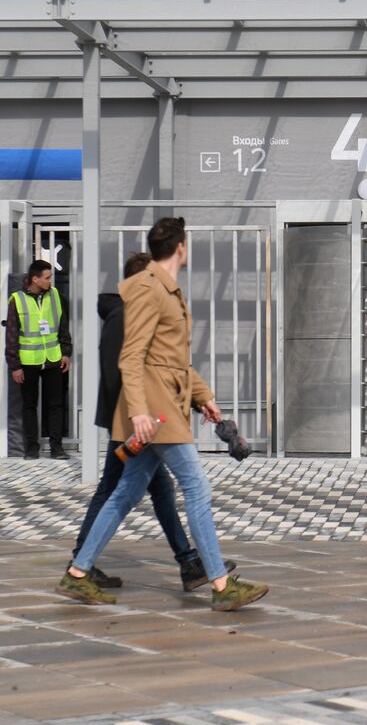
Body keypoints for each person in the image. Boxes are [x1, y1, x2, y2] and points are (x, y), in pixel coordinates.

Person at [56, 217, 268, 611]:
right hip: (157, 415)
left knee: (125, 492)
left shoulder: (165, 290)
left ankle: (78, 573)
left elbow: (173, 361)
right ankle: (220, 584)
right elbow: (131, 356)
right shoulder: (151, 290)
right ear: (182, 248)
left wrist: (204, 397)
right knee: (196, 488)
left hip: (162, 408)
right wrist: (138, 413)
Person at [65, 251, 225, 592]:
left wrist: (197, 399)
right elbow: (130, 372)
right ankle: (80, 563)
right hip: (133, 422)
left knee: (153, 490)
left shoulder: (129, 314)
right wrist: (137, 415)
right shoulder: (126, 317)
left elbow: (169, 368)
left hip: (140, 421)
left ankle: (187, 563)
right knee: (120, 491)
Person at [6, 259, 72, 459]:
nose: (51, 281)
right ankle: (32, 449)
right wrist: (15, 365)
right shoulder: (16, 299)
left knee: (55, 404)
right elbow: (11, 335)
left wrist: (66, 352)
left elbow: (63, 327)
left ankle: (56, 447)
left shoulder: (56, 296)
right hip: (28, 361)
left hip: (53, 357)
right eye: (47, 277)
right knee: (28, 405)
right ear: (35, 279)